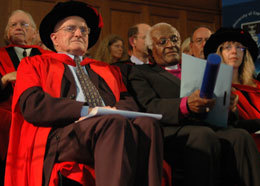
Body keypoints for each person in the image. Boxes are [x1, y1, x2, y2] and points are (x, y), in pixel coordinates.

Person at [4, 1, 163, 186]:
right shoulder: (34, 64)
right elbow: (33, 105)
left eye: (84, 30)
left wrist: (110, 110)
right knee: (114, 122)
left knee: (148, 124)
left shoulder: (107, 70)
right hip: (62, 133)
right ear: (55, 38)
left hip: (107, 123)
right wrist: (86, 110)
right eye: (70, 28)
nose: (79, 33)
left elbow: (128, 101)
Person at [128, 22, 260, 186]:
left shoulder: (200, 68)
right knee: (203, 135)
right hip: (171, 130)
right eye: (163, 42)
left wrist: (229, 107)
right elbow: (150, 106)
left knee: (240, 136)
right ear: (151, 50)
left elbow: (227, 113)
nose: (171, 45)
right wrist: (186, 105)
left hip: (208, 124)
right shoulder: (141, 73)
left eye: (174, 39)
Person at [203, 27, 260, 133]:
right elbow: (231, 126)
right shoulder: (215, 88)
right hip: (248, 141)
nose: (234, 51)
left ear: (244, 54)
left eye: (239, 48)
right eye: (228, 47)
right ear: (219, 53)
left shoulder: (257, 86)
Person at [0, 10, 49, 167]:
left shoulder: (48, 57)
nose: (18, 27)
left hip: (43, 119)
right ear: (7, 33)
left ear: (34, 33)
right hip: (7, 123)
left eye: (24, 24)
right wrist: (4, 80)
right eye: (13, 25)